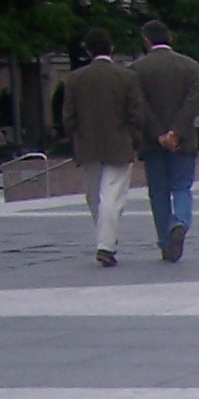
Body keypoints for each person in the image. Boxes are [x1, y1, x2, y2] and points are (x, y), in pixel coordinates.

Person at [61, 27, 144, 267]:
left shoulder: (74, 79)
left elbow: (69, 115)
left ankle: (105, 239)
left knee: (93, 194)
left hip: (87, 144)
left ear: (88, 51)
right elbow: (136, 113)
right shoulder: (127, 77)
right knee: (112, 193)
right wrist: (134, 139)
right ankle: (106, 243)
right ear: (112, 48)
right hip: (119, 142)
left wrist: (74, 137)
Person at [133, 20, 199, 264]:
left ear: (146, 39)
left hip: (153, 143)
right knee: (182, 187)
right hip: (183, 142)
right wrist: (176, 132)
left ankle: (166, 242)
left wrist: (160, 134)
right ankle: (180, 221)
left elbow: (140, 105)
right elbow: (193, 102)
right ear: (170, 37)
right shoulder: (191, 66)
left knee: (158, 192)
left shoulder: (137, 69)